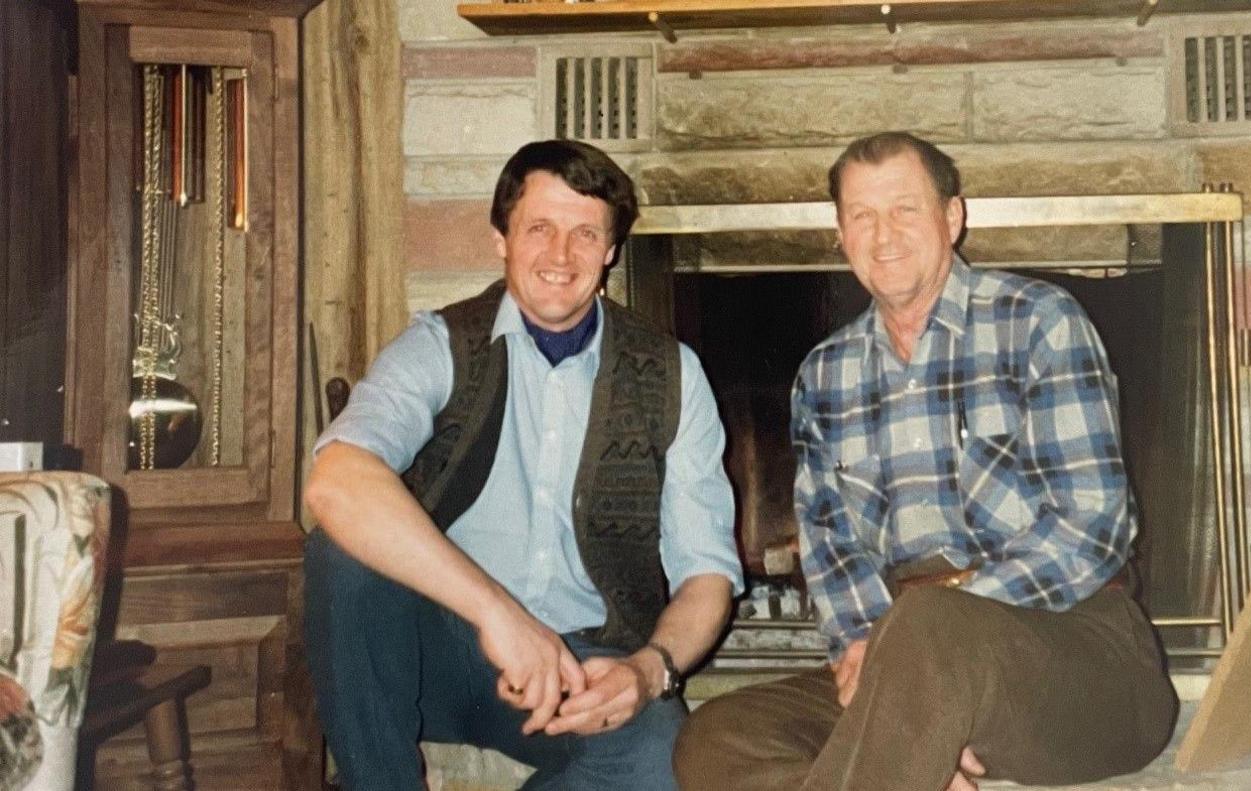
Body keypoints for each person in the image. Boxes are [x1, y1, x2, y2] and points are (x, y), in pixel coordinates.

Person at [673, 132, 1177, 791]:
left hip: (1081, 655)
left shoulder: (1040, 322)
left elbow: (1093, 527)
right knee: (717, 735)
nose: (884, 235)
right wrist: (868, 654)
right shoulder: (824, 375)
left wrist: (915, 641)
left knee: (930, 623)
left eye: (905, 208)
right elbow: (832, 552)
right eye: (862, 215)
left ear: (953, 216)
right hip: (904, 665)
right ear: (840, 233)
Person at [303, 139, 742, 791]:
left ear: (612, 250)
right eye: (539, 228)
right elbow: (335, 480)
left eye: (585, 232)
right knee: (344, 549)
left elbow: (707, 573)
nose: (561, 256)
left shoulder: (672, 374)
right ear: (501, 239)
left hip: (581, 664)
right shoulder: (440, 345)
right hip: (434, 654)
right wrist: (497, 614)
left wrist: (649, 669)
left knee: (657, 756)